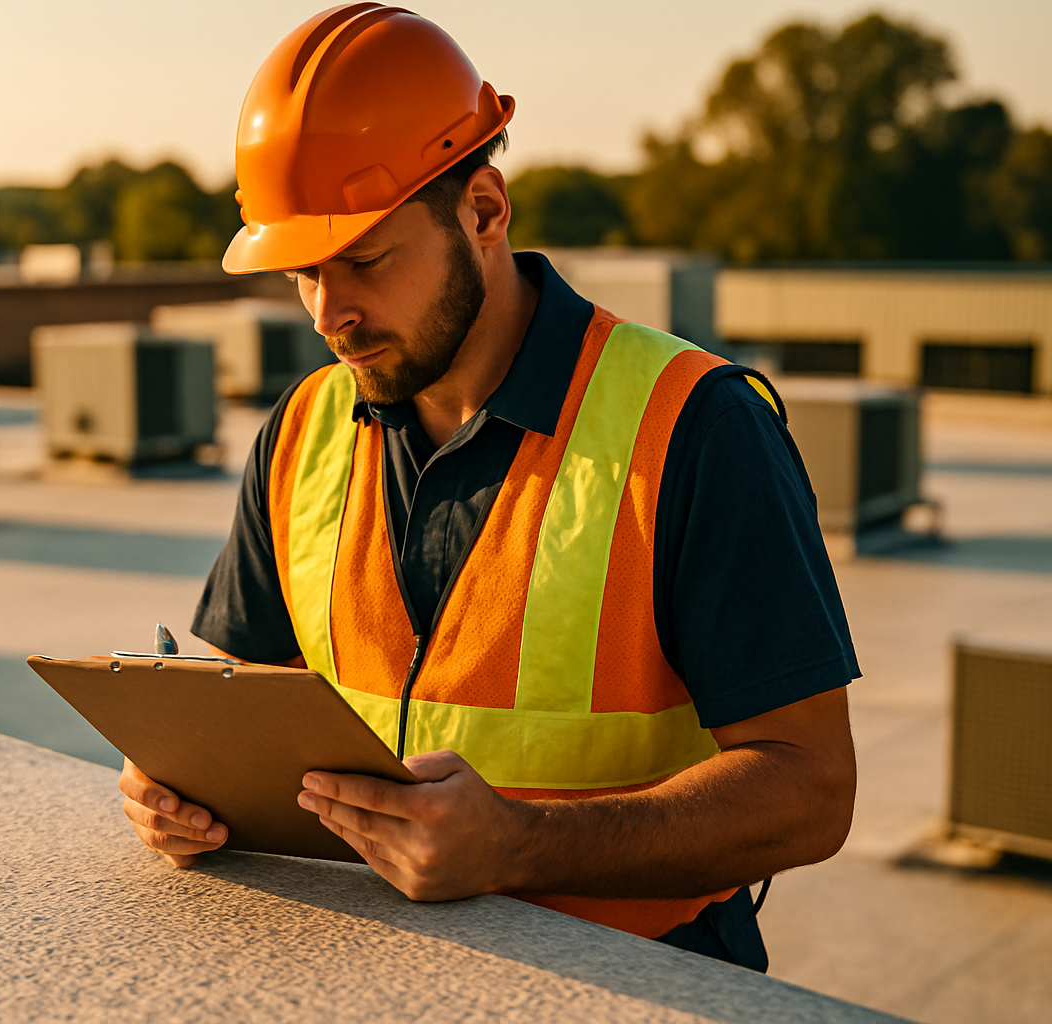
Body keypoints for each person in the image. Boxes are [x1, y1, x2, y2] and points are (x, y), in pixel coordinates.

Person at [118, 4, 859, 971]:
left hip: (638, 981)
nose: (329, 313)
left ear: (483, 211)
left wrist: (521, 844)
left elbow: (811, 790)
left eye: (366, 260)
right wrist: (177, 786)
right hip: (371, 972)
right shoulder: (303, 427)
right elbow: (232, 697)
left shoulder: (694, 426)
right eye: (303, 272)